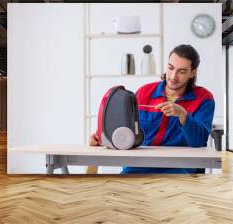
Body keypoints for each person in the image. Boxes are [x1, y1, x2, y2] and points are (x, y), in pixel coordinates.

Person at [90, 44, 215, 174]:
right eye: (170, 68)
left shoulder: (204, 99)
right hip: (138, 167)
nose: (173, 76)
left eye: (182, 71)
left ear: (193, 73)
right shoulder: (144, 92)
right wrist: (102, 139)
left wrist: (183, 115)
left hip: (178, 169)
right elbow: (127, 132)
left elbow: (199, 142)